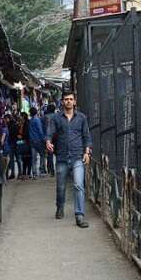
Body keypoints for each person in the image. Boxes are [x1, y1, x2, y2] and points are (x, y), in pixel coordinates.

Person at [46, 91, 93, 228]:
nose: (68, 101)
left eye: (71, 99)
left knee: (78, 184)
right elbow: (50, 132)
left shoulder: (82, 118)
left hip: (77, 156)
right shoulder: (56, 118)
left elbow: (87, 137)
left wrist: (87, 152)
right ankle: (60, 206)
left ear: (74, 101)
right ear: (62, 102)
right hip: (61, 157)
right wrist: (48, 141)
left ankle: (79, 215)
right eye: (66, 99)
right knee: (60, 187)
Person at [28, 107, 46, 178]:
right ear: (36, 112)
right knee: (42, 155)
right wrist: (43, 139)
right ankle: (41, 171)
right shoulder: (37, 120)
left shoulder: (31, 120)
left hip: (32, 141)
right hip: (38, 141)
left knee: (34, 158)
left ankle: (34, 173)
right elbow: (40, 131)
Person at [16, 112, 31, 180]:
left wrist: (21, 136)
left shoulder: (26, 123)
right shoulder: (22, 123)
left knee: (27, 158)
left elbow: (26, 134)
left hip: (26, 143)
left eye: (21, 116)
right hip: (23, 142)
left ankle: (27, 173)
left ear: (23, 116)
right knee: (24, 159)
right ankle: (25, 173)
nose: (19, 117)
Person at [44, 104, 57, 176]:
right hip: (56, 137)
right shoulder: (57, 116)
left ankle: (51, 171)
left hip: (48, 138)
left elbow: (43, 128)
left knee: (50, 155)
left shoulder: (45, 117)